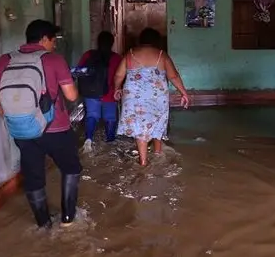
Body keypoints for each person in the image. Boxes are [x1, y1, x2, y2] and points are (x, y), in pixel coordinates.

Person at [0, 19, 82, 228]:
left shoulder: (4, 60)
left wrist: (12, 118)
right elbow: (70, 96)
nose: (54, 44)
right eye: (53, 40)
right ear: (43, 39)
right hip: (56, 128)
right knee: (71, 168)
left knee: (33, 175)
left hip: (22, 130)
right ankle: (68, 219)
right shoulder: (54, 60)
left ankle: (44, 224)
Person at [113, 28, 190, 166]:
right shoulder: (162, 55)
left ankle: (143, 161)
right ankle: (158, 153)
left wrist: (117, 88)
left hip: (134, 98)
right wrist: (183, 92)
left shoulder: (129, 54)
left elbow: (119, 75)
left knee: (140, 127)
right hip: (157, 97)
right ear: (156, 41)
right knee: (157, 122)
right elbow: (173, 76)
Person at [75, 31, 123, 153]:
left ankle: (88, 140)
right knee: (110, 118)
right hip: (110, 93)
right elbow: (121, 76)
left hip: (91, 92)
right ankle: (110, 141)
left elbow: (79, 72)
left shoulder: (88, 55)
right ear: (112, 43)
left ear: (98, 42)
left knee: (92, 115)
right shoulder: (117, 58)